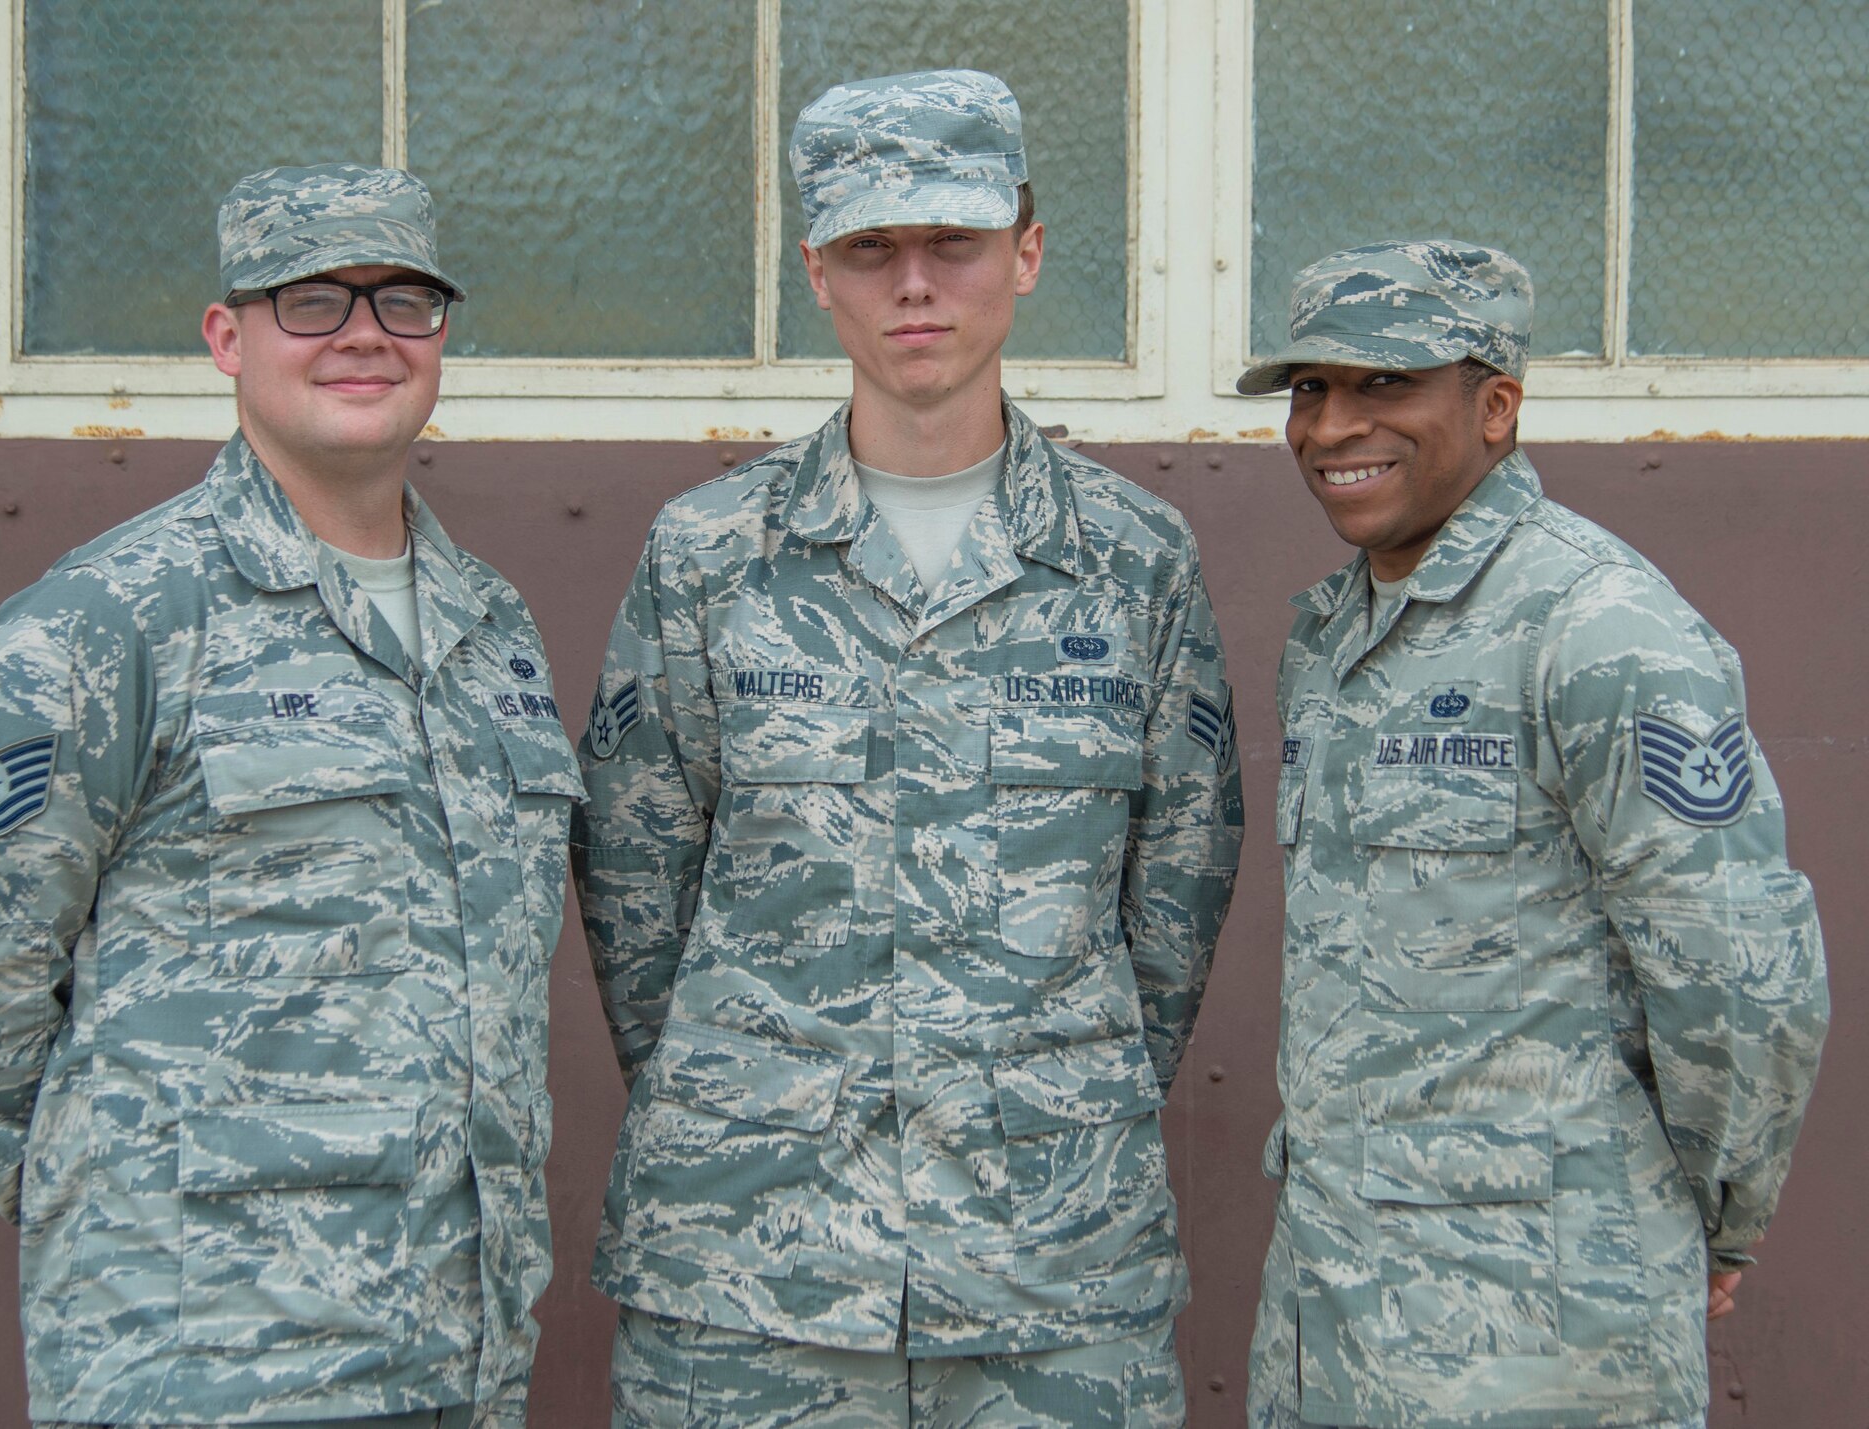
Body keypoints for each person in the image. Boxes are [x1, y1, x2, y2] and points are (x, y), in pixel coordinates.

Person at [573, 69, 1242, 1427]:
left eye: (955, 243)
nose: (916, 286)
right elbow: (637, 894)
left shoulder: (1133, 562)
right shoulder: (709, 557)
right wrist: (768, 1101)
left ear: (1029, 253)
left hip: (1055, 1274)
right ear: (817, 272)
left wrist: (1036, 1095)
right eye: (873, 248)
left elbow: (1174, 901)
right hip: (754, 1276)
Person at [0, 164, 583, 1429]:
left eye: (404, 299)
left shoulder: (493, 632)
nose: (364, 331)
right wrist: (114, 1192)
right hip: (201, 1355)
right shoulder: (110, 620)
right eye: (310, 299)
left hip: (458, 1354)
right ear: (227, 337)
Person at [1238, 239, 1829, 1429]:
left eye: (1384, 384)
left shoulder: (1598, 627)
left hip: (1539, 1324)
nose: (1331, 426)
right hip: (1332, 1298)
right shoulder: (1336, 635)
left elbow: (1737, 974)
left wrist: (1714, 1213)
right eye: (1310, 389)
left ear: (1495, 405)